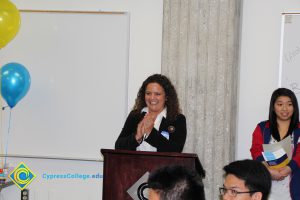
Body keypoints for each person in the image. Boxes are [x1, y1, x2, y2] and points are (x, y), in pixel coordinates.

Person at [115, 74, 186, 152]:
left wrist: (151, 132)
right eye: (148, 93)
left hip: (164, 164)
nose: (152, 98)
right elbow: (118, 146)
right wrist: (136, 137)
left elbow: (176, 150)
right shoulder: (135, 115)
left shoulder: (177, 119)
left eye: (157, 94)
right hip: (135, 164)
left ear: (166, 97)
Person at [250, 88, 300, 200]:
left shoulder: (299, 129)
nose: (284, 108)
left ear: (294, 107)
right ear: (273, 106)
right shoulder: (262, 128)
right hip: (267, 186)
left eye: (289, 104)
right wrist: (268, 170)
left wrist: (288, 169)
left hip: (293, 187)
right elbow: (255, 150)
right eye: (280, 104)